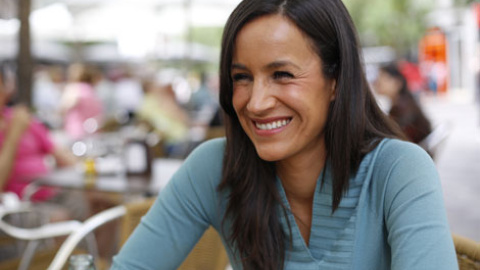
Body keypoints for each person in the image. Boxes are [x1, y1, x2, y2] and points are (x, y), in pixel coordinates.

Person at [112, 0, 457, 269]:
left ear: (335, 80)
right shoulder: (214, 166)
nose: (256, 103)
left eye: (282, 74)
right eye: (242, 77)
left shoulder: (399, 171)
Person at [0, 64, 87, 221]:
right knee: (62, 220)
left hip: (50, 193)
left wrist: (88, 167)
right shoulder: (18, 123)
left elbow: (64, 157)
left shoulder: (22, 118)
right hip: (13, 206)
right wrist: (13, 135)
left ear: (6, 88)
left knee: (101, 202)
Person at [374, 63, 433, 145]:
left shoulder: (401, 108)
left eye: (382, 78)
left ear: (397, 83)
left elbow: (397, 137)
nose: (377, 83)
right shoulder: (405, 102)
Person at [60, 63, 103, 141]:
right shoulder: (92, 90)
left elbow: (64, 107)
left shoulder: (73, 88)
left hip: (76, 131)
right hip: (93, 130)